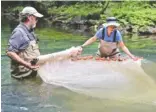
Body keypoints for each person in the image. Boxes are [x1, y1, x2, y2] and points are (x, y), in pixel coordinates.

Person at [6, 6, 44, 79]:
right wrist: (27, 65)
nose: (37, 20)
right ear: (30, 17)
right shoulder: (19, 32)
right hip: (23, 77)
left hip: (31, 73)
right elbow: (10, 52)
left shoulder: (30, 31)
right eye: (36, 18)